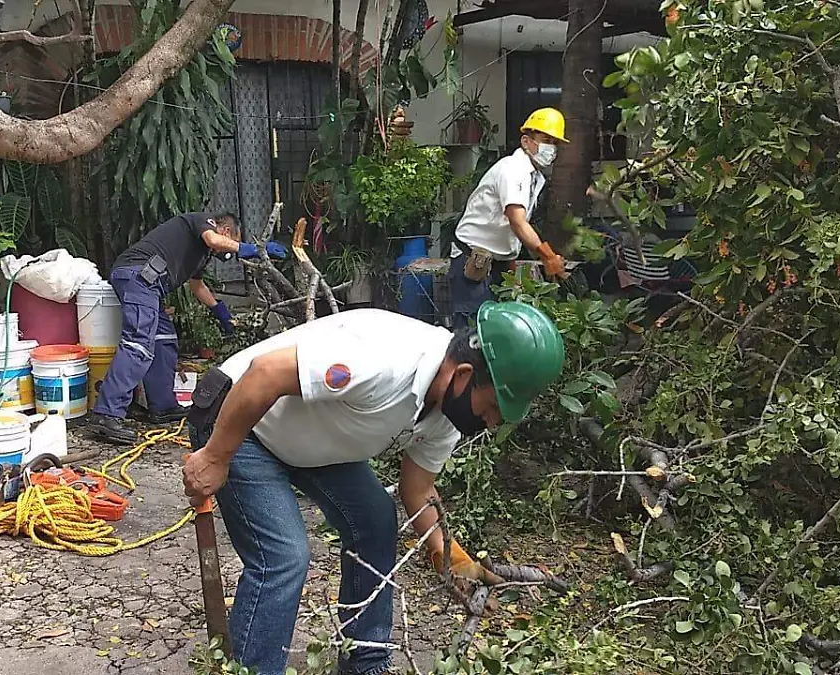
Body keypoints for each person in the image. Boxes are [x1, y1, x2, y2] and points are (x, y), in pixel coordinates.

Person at [182, 301, 565, 675]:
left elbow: (419, 490)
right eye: (495, 406)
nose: (494, 421)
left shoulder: (449, 413)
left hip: (308, 437)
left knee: (377, 520)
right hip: (240, 418)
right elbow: (265, 374)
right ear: (464, 374)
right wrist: (215, 456)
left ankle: (366, 663)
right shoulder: (385, 360)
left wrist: (449, 558)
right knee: (284, 556)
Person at [84, 211, 286, 445]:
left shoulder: (201, 255)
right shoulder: (201, 221)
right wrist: (249, 248)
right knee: (138, 344)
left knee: (164, 339)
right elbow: (213, 240)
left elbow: (197, 286)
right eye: (231, 244)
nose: (228, 252)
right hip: (137, 276)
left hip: (147, 285)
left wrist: (221, 314)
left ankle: (162, 406)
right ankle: (107, 414)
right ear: (226, 231)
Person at [448, 107, 572, 328]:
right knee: (471, 336)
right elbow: (517, 221)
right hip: (473, 260)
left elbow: (510, 232)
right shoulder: (512, 170)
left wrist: (512, 276)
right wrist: (549, 257)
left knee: (498, 332)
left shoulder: (534, 177)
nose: (551, 149)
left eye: (555, 143)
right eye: (545, 140)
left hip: (498, 264)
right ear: (526, 141)